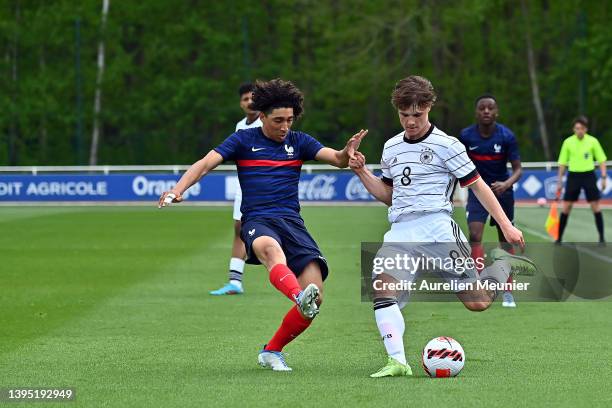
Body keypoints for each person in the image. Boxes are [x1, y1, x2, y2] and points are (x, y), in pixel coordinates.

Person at [159, 78, 367, 371]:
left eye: (290, 120)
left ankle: (272, 350)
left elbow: (337, 159)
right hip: (257, 219)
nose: (285, 127)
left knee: (316, 299)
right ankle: (297, 295)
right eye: (278, 120)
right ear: (262, 116)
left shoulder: (299, 141)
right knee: (271, 252)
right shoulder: (243, 140)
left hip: (292, 223)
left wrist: (348, 152)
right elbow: (206, 163)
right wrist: (178, 189)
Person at [349, 75, 537, 378]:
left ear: (428, 108)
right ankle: (397, 361)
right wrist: (360, 172)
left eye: (417, 115)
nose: (410, 122)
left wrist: (506, 225)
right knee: (382, 290)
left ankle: (503, 265)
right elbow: (388, 195)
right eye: (405, 115)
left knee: (477, 303)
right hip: (400, 230)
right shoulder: (391, 147)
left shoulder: (448, 145)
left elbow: (479, 187)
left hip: (437, 228)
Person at [459, 94, 522, 308]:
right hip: (478, 193)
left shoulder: (507, 136)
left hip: (503, 194)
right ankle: (478, 285)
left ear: (497, 112)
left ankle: (507, 291)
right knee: (475, 233)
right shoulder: (466, 136)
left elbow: (518, 169)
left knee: (505, 239)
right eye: (482, 108)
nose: (486, 111)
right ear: (476, 112)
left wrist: (506, 183)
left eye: (490, 108)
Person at [210, 83, 262, 296]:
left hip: (265, 185)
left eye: (253, 98)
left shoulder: (268, 123)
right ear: (240, 104)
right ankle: (235, 281)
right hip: (245, 185)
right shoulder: (240, 125)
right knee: (239, 229)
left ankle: (296, 275)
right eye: (245, 99)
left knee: (276, 230)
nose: (249, 102)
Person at [556, 116, 607, 245]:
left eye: (582, 128)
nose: (579, 131)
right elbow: (562, 163)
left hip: (589, 175)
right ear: (573, 129)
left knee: (595, 206)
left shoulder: (593, 141)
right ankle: (559, 238)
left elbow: (601, 160)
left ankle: (601, 238)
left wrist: (604, 177)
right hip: (573, 176)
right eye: (577, 128)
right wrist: (560, 182)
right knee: (567, 207)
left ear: (586, 129)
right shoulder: (568, 142)